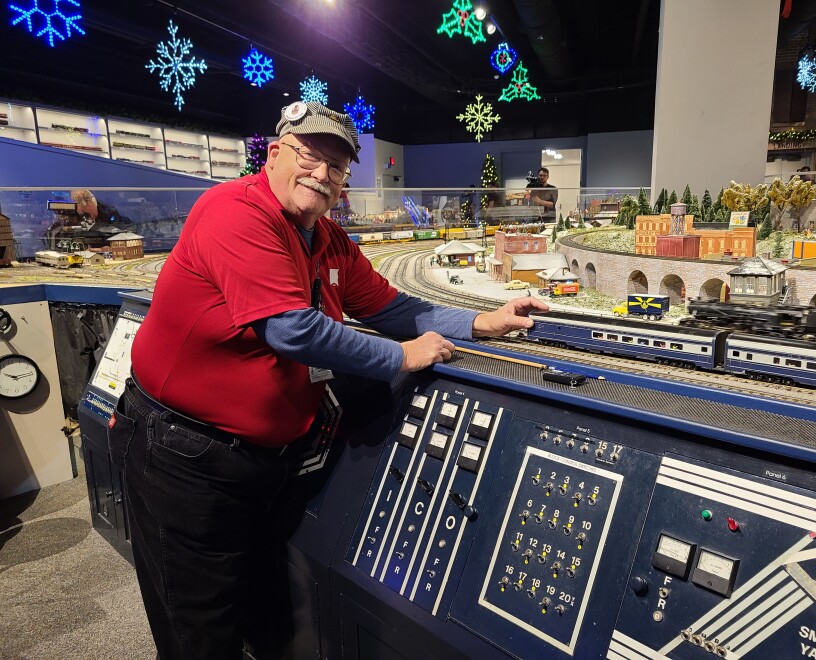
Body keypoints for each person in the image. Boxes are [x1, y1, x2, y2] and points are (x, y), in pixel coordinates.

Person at [116, 100, 548, 660]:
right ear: (274, 155)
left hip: (261, 460)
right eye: (309, 156)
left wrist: (481, 321)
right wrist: (401, 358)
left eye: (337, 167)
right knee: (197, 631)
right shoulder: (235, 213)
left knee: (260, 615)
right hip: (183, 455)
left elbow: (394, 308)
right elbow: (293, 332)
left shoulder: (328, 238)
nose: (322, 174)